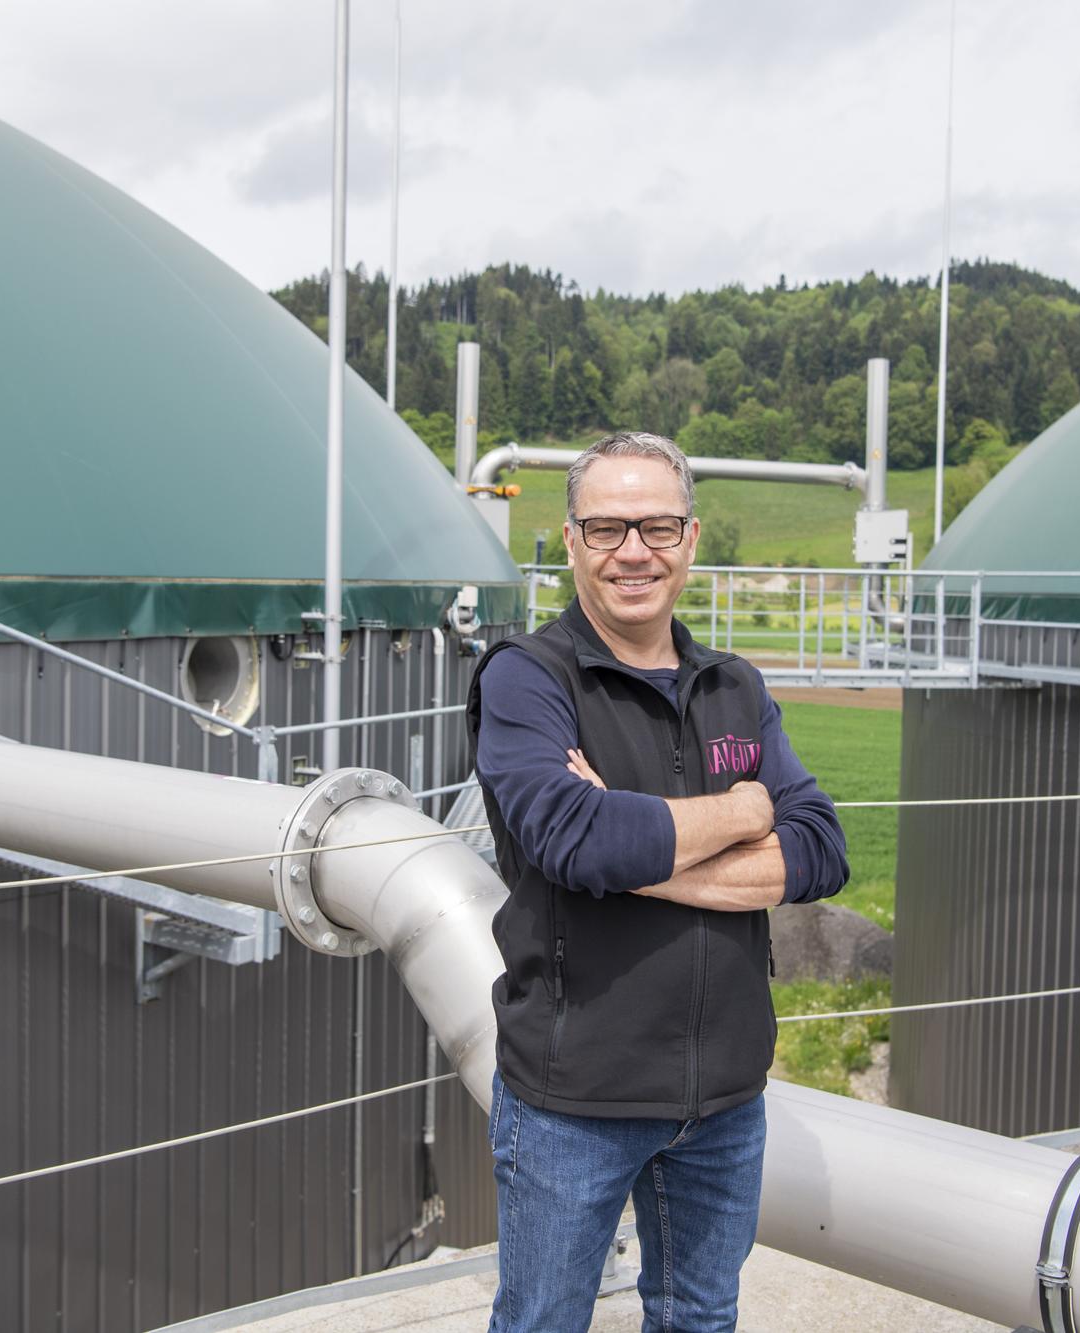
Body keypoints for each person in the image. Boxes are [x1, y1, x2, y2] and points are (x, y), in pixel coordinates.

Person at [467, 431, 850, 1331]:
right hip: (574, 1101)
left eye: (657, 526)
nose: (633, 551)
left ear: (692, 537)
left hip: (722, 1099)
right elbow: (573, 840)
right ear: (568, 541)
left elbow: (823, 850)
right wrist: (747, 811)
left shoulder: (733, 686)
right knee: (540, 1323)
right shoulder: (528, 678)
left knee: (700, 1319)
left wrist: (636, 851)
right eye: (606, 527)